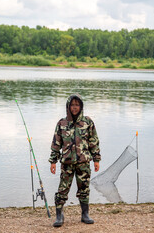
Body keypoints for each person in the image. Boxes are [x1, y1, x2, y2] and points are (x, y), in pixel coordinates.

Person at [49, 93, 101, 227]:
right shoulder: (62, 123)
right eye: (72, 105)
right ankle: (59, 216)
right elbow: (56, 143)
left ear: (81, 106)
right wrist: (53, 161)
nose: (75, 107)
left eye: (77, 105)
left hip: (83, 163)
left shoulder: (88, 122)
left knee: (84, 189)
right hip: (66, 163)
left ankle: (85, 214)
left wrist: (96, 159)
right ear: (68, 106)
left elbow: (93, 142)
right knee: (62, 190)